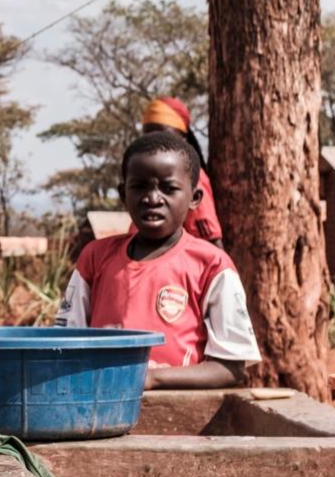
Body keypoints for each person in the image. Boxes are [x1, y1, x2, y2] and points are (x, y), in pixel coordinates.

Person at [55, 132, 260, 389]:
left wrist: (151, 378)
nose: (152, 198)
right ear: (123, 193)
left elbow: (231, 367)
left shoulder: (212, 265)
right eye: (140, 187)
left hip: (181, 418)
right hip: (101, 409)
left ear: (195, 198)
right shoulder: (94, 257)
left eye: (169, 188)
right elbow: (66, 344)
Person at [140, 97, 223, 248]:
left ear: (183, 139)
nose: (155, 145)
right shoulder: (140, 179)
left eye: (164, 137)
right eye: (148, 137)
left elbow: (212, 243)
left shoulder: (190, 178)